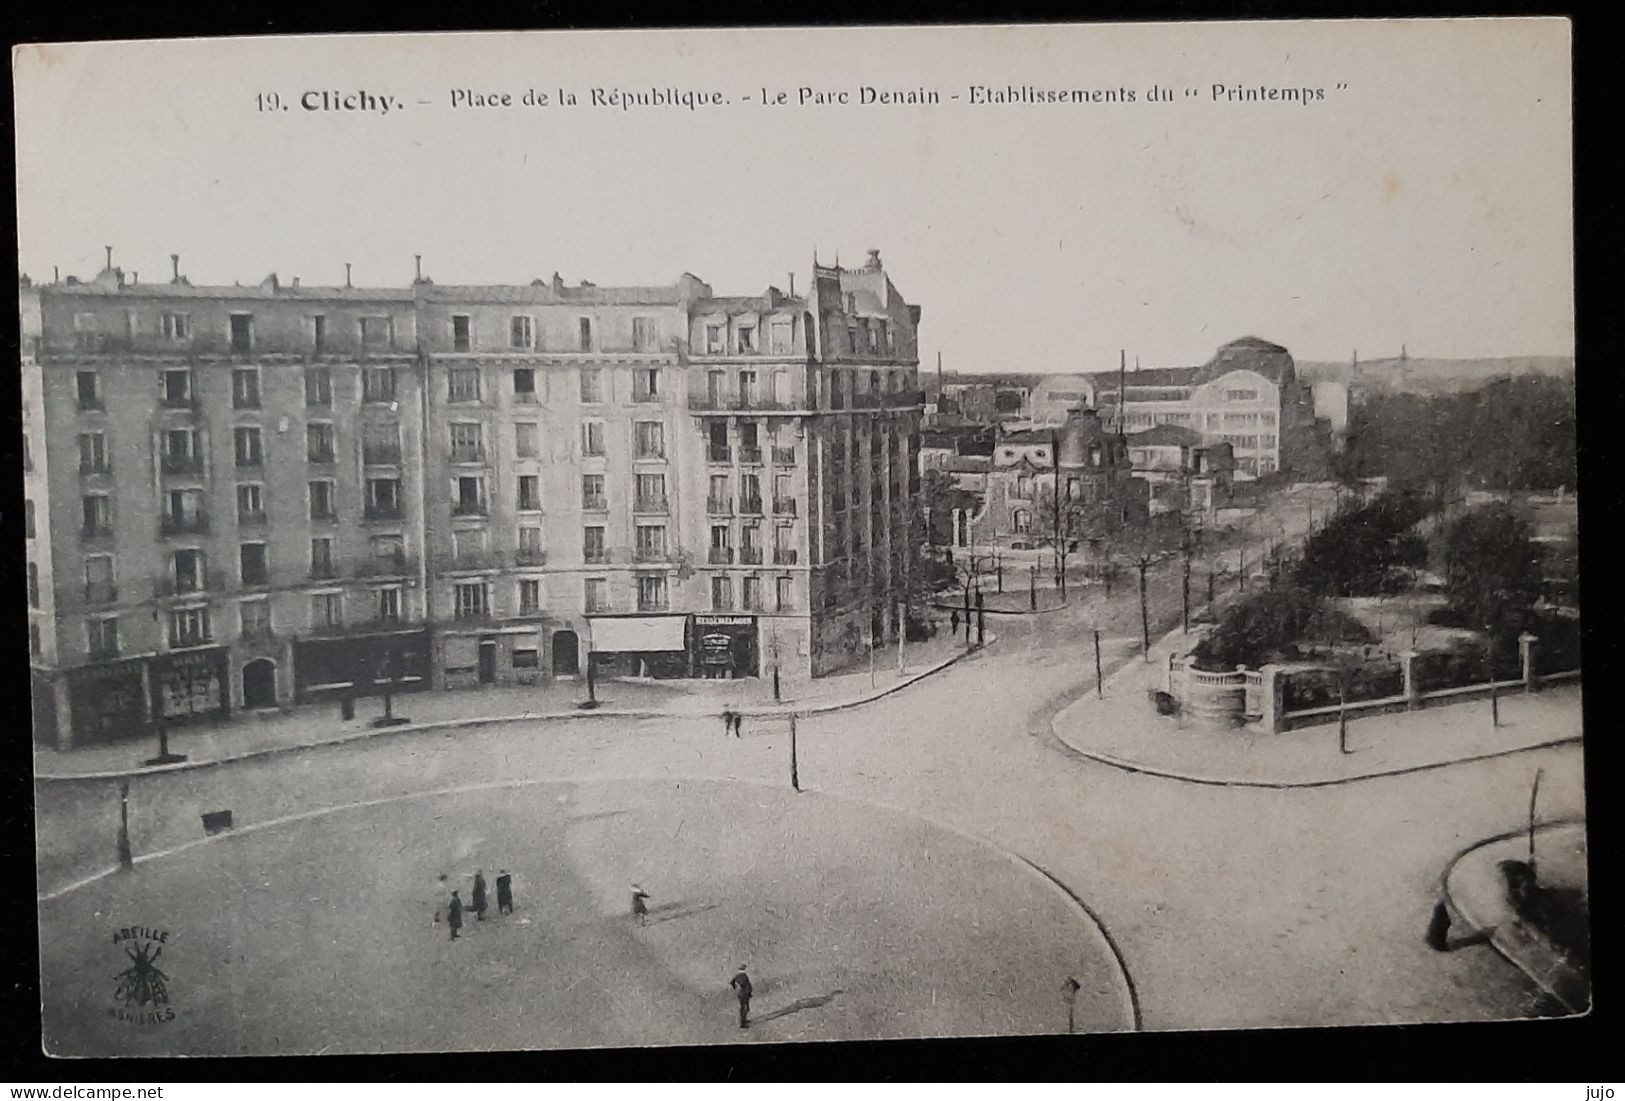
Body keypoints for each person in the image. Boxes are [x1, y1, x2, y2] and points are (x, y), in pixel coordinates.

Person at [729, 964, 753, 1029]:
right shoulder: (743, 976)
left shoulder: (737, 976)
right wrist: (749, 992)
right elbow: (746, 985)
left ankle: (743, 1021)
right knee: (745, 1008)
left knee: (743, 1007)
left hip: (740, 994)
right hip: (744, 994)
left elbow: (732, 982)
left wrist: (736, 988)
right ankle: (743, 1023)